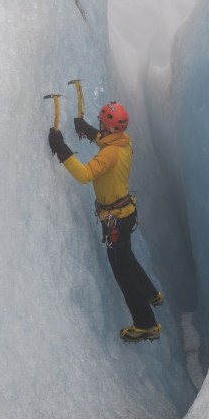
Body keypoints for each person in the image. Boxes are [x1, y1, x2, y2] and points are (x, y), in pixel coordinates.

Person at [48, 101, 163, 343]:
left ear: (108, 126)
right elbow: (105, 140)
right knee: (127, 257)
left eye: (101, 122)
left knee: (122, 272)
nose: (99, 125)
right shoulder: (124, 142)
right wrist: (87, 130)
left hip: (115, 221)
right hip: (125, 213)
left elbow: (85, 175)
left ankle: (146, 325)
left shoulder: (110, 152)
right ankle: (152, 294)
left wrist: (62, 149)